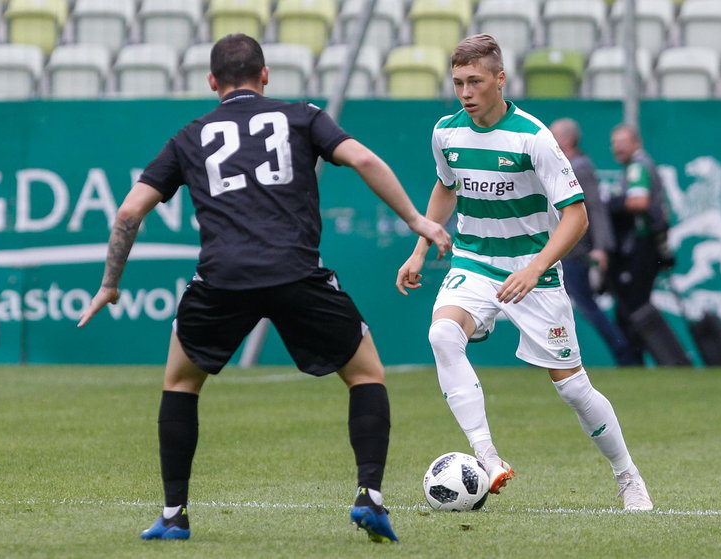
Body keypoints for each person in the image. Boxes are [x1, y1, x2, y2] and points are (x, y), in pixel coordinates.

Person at [77, 33, 451, 543]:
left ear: (212, 82)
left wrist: (109, 285)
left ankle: (173, 514)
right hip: (297, 272)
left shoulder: (190, 135)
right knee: (366, 374)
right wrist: (416, 220)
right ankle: (371, 497)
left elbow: (127, 212)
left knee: (181, 384)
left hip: (222, 279)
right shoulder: (303, 116)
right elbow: (363, 159)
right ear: (266, 74)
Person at [396, 34, 653, 511]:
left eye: (475, 81)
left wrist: (535, 269)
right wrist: (421, 246)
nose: (466, 92)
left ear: (500, 79)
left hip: (533, 273)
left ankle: (628, 476)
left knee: (574, 387)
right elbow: (446, 186)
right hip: (473, 261)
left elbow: (577, 217)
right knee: (442, 336)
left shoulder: (533, 137)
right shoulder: (446, 133)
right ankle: (488, 458)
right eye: (458, 83)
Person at [549, 118, 640, 367]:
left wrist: (600, 248)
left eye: (553, 134)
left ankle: (626, 355)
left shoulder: (579, 167)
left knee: (587, 308)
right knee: (555, 308)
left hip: (574, 249)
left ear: (566, 140)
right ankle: (547, 358)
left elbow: (595, 208)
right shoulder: (569, 165)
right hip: (563, 248)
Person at [607, 124, 672, 365]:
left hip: (642, 246)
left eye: (622, 142)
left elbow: (639, 201)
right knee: (636, 303)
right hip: (649, 244)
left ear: (636, 143)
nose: (617, 148)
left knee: (633, 304)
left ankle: (635, 359)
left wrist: (612, 203)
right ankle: (638, 358)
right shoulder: (641, 165)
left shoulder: (637, 166)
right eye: (614, 143)